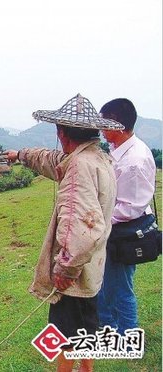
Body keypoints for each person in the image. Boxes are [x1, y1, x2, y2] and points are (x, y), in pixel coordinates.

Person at [6, 94, 123, 372]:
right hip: (93, 269)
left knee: (67, 338)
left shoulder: (78, 169)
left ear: (61, 132)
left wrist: (64, 270)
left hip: (76, 274)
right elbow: (52, 160)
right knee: (85, 332)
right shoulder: (96, 158)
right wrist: (21, 155)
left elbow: (78, 229)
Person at [96, 98, 156, 334]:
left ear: (117, 125)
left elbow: (130, 208)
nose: (100, 129)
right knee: (106, 281)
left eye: (104, 124)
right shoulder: (120, 149)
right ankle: (107, 324)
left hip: (124, 232)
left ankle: (128, 334)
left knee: (120, 286)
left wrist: (97, 219)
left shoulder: (133, 161)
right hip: (115, 229)